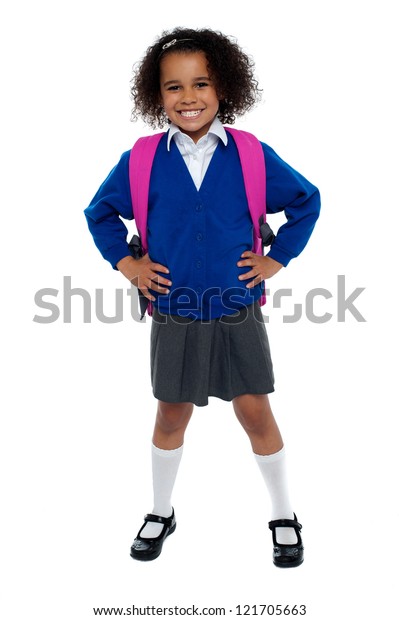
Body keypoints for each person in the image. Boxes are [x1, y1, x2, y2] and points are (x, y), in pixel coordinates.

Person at [84, 27, 320, 568]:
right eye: (173, 87)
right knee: (170, 413)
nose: (188, 97)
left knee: (255, 410)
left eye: (201, 84)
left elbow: (307, 201)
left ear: (224, 88)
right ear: (156, 95)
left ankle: (283, 514)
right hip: (174, 309)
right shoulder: (142, 159)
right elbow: (100, 214)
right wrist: (128, 264)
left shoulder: (252, 154)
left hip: (237, 306)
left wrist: (276, 258)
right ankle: (160, 511)